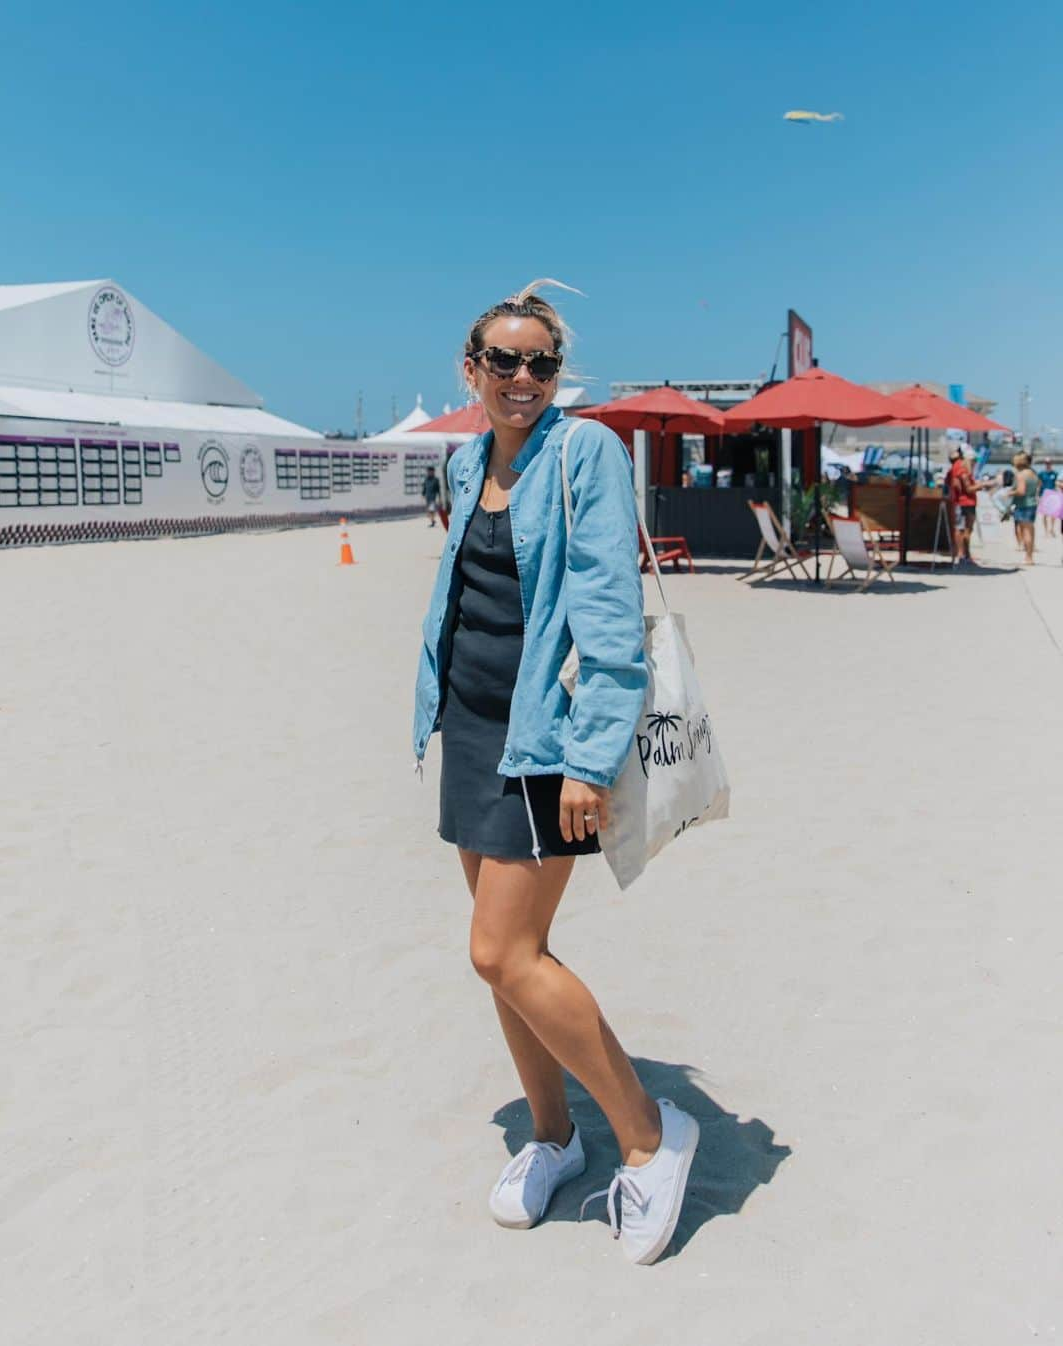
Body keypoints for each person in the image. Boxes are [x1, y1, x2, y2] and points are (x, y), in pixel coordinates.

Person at [413, 281, 699, 1266]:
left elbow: (611, 615)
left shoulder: (585, 454)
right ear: (472, 370)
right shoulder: (463, 456)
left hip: (551, 739)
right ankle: (554, 1136)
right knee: (509, 954)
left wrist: (589, 755)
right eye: (506, 361)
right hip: (469, 728)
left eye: (542, 362)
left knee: (501, 951)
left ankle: (653, 1134)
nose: (525, 377)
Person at [944, 445, 988, 565]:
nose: (974, 463)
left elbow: (948, 484)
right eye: (973, 460)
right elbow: (968, 489)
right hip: (966, 502)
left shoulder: (954, 468)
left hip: (958, 502)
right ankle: (964, 554)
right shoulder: (962, 469)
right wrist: (985, 484)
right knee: (965, 530)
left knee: (960, 528)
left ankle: (961, 553)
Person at [1005, 451, 1041, 565]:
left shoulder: (1021, 475)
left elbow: (1021, 491)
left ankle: (1028, 557)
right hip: (1032, 504)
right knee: (1030, 531)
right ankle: (1030, 556)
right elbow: (1038, 486)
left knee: (1024, 532)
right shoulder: (1033, 473)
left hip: (1023, 505)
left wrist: (1009, 493)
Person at [1037, 457, 1058, 539]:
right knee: (1045, 514)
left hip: (1053, 495)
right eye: (1046, 463)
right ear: (1044, 464)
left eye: (1049, 463)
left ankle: (1052, 529)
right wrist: (1037, 496)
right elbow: (1039, 485)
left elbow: (1057, 484)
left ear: (1051, 463)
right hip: (1044, 495)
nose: (1048, 464)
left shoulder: (1055, 473)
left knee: (1053, 514)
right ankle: (1046, 531)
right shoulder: (1041, 473)